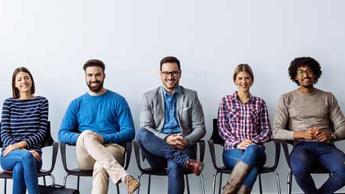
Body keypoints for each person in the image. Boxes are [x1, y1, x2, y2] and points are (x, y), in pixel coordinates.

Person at [58, 59, 139, 194]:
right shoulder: (76, 103)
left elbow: (130, 131)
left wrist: (102, 138)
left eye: (97, 75)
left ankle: (125, 178)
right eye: (90, 75)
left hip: (113, 148)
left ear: (104, 76)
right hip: (86, 154)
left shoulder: (118, 100)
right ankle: (125, 177)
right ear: (85, 77)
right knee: (87, 134)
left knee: (101, 166)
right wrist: (86, 138)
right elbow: (62, 133)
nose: (94, 79)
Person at [272, 57, 345, 194]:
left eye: (309, 71)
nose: (306, 75)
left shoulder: (327, 97)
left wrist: (331, 135)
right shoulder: (286, 98)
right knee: (299, 170)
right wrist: (302, 134)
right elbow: (276, 131)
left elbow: (343, 126)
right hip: (302, 147)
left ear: (315, 74)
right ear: (295, 76)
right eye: (301, 72)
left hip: (326, 147)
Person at [135, 56, 206, 194]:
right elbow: (146, 126)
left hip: (182, 146)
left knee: (174, 164)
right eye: (166, 73)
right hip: (157, 153)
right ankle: (186, 162)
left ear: (180, 73)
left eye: (174, 72)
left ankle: (182, 160)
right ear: (160, 74)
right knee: (141, 133)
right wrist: (166, 139)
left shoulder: (191, 96)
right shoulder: (148, 97)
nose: (170, 76)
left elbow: (200, 127)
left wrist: (186, 140)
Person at [218, 64, 272, 194]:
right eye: (240, 78)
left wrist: (251, 141)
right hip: (232, 151)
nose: (244, 82)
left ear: (252, 80)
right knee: (251, 169)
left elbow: (267, 131)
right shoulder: (226, 101)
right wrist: (238, 143)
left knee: (252, 149)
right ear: (235, 80)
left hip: (256, 151)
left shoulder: (260, 103)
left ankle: (228, 190)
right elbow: (222, 128)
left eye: (247, 78)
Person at [0, 67, 49, 194]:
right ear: (15, 84)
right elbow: (4, 132)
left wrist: (19, 146)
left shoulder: (42, 102)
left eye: (26, 78)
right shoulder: (8, 103)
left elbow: (42, 133)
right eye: (19, 79)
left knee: (19, 168)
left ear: (31, 81)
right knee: (26, 156)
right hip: (9, 155)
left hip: (35, 157)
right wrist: (22, 150)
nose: (24, 81)